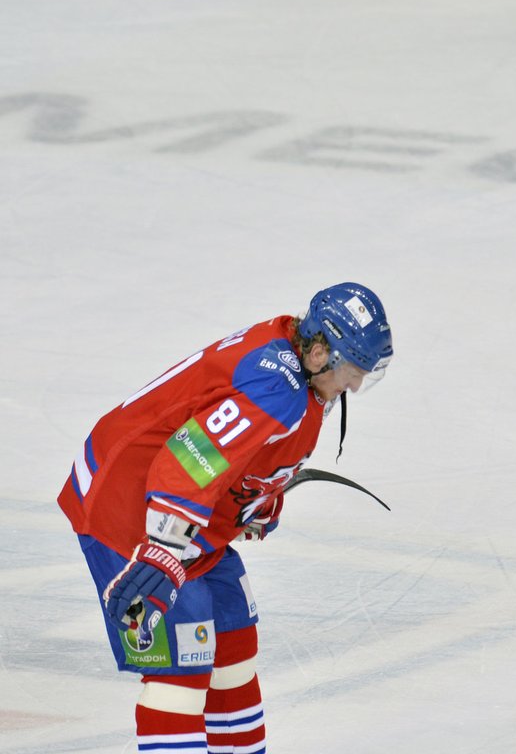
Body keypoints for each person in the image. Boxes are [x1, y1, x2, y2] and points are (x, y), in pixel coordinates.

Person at [57, 282, 393, 753]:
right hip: (130, 510)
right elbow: (187, 459)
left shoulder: (289, 351)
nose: (356, 385)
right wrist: (164, 548)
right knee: (181, 669)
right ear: (319, 353)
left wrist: (258, 494)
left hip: (181, 513)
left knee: (233, 642)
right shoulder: (279, 389)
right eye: (353, 370)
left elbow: (232, 442)